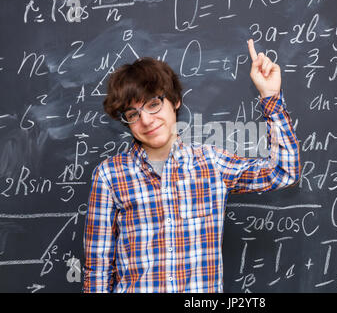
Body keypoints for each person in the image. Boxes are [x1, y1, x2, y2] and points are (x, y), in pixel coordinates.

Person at [83, 39, 301, 292]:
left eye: (154, 104)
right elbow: (98, 268)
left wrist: (270, 96)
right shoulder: (110, 175)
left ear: (174, 101)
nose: (146, 120)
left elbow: (284, 172)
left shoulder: (211, 163)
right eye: (133, 114)